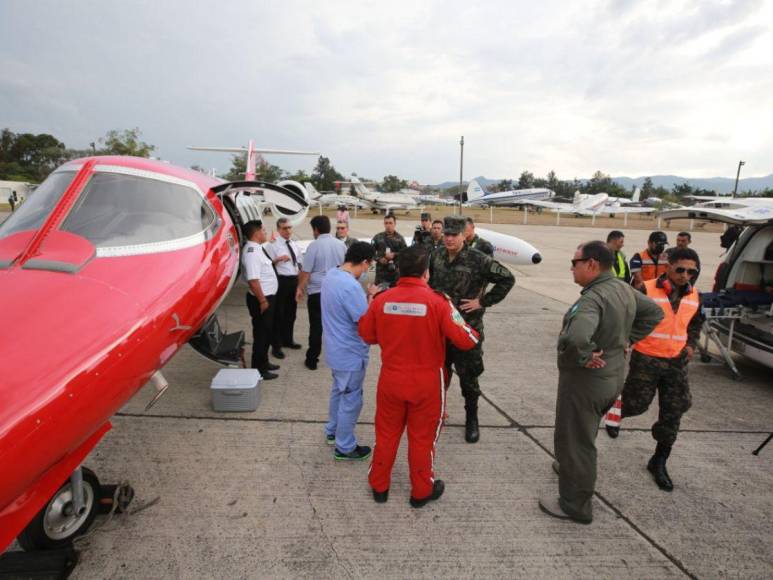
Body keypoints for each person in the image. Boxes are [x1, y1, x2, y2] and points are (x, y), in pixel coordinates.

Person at [538, 241, 662, 524]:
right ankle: (570, 469)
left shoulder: (593, 299)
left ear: (592, 264)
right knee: (585, 432)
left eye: (575, 262)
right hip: (612, 377)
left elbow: (577, 337)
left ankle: (575, 505)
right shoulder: (622, 288)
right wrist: (627, 340)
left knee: (576, 442)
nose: (572, 267)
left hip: (586, 383)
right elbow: (655, 313)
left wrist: (583, 356)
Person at [359, 246, 480, 507]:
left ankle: (379, 486)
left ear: (400, 269)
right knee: (422, 439)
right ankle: (421, 491)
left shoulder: (382, 300)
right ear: (427, 273)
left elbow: (367, 335)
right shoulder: (438, 301)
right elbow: (467, 339)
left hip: (391, 379)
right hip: (426, 384)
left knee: (386, 435)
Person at [612, 248, 703, 492]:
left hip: (676, 363)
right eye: (680, 269)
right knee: (636, 404)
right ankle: (614, 412)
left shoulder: (695, 296)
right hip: (647, 359)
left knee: (674, 411)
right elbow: (625, 317)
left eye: (691, 271)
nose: (685, 275)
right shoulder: (646, 289)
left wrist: (691, 345)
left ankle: (659, 460)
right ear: (668, 266)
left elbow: (695, 322)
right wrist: (624, 341)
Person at [429, 216, 515, 443]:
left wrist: (483, 301)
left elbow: (507, 279)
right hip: (440, 330)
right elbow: (428, 283)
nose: (448, 238)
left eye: (453, 235)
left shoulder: (478, 259)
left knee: (469, 380)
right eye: (446, 234)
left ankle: (472, 419)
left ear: (463, 236)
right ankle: (437, 413)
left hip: (467, 330)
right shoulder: (436, 255)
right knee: (439, 376)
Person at [321, 242, 378, 461]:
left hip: (335, 351)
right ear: (364, 262)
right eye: (367, 266)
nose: (366, 270)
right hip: (350, 354)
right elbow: (364, 322)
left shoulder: (331, 276)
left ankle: (332, 432)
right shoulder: (351, 287)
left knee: (338, 392)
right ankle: (345, 446)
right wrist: (372, 297)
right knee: (351, 399)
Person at [296, 215, 346, 370]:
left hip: (318, 292)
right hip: (336, 292)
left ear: (316, 229)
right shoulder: (341, 245)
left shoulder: (314, 246)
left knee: (316, 327)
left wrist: (300, 288)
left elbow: (306, 272)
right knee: (337, 326)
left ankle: (312, 359)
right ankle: (338, 357)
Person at [242, 220, 281, 380]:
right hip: (262, 300)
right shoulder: (252, 252)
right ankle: (259, 369)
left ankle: (264, 362)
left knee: (266, 332)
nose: (265, 233)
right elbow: (253, 280)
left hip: (267, 298)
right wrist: (263, 301)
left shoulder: (258, 249)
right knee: (261, 335)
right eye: (263, 231)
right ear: (256, 233)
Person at [265, 218, 303, 360]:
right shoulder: (272, 245)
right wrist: (277, 260)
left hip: (293, 280)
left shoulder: (293, 244)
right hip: (281, 281)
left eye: (289, 227)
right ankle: (276, 346)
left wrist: (300, 284)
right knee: (279, 314)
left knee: (291, 313)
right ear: (279, 229)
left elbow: (299, 262)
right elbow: (265, 264)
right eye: (284, 228)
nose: (288, 231)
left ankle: (288, 340)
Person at [372, 213, 407, 288]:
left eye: (390, 223)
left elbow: (405, 253)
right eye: (386, 223)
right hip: (381, 275)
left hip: (395, 274)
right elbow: (370, 252)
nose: (388, 225)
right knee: (380, 295)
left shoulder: (400, 238)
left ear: (395, 224)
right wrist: (379, 259)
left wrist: (395, 254)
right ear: (384, 224)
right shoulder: (377, 237)